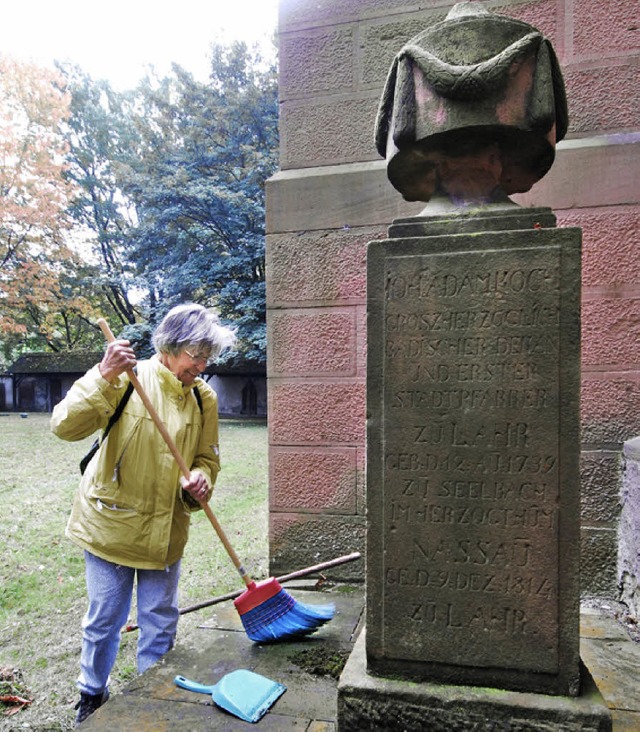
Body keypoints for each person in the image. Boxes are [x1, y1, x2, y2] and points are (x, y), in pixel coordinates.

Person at [51, 304, 235, 726]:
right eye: (196, 354)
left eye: (209, 356)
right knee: (105, 620)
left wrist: (202, 480)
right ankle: (92, 693)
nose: (202, 365)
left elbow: (207, 458)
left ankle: (151, 699)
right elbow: (64, 425)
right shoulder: (127, 378)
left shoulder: (203, 399)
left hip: (166, 528)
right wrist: (103, 374)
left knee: (160, 622)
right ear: (169, 347)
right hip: (110, 525)